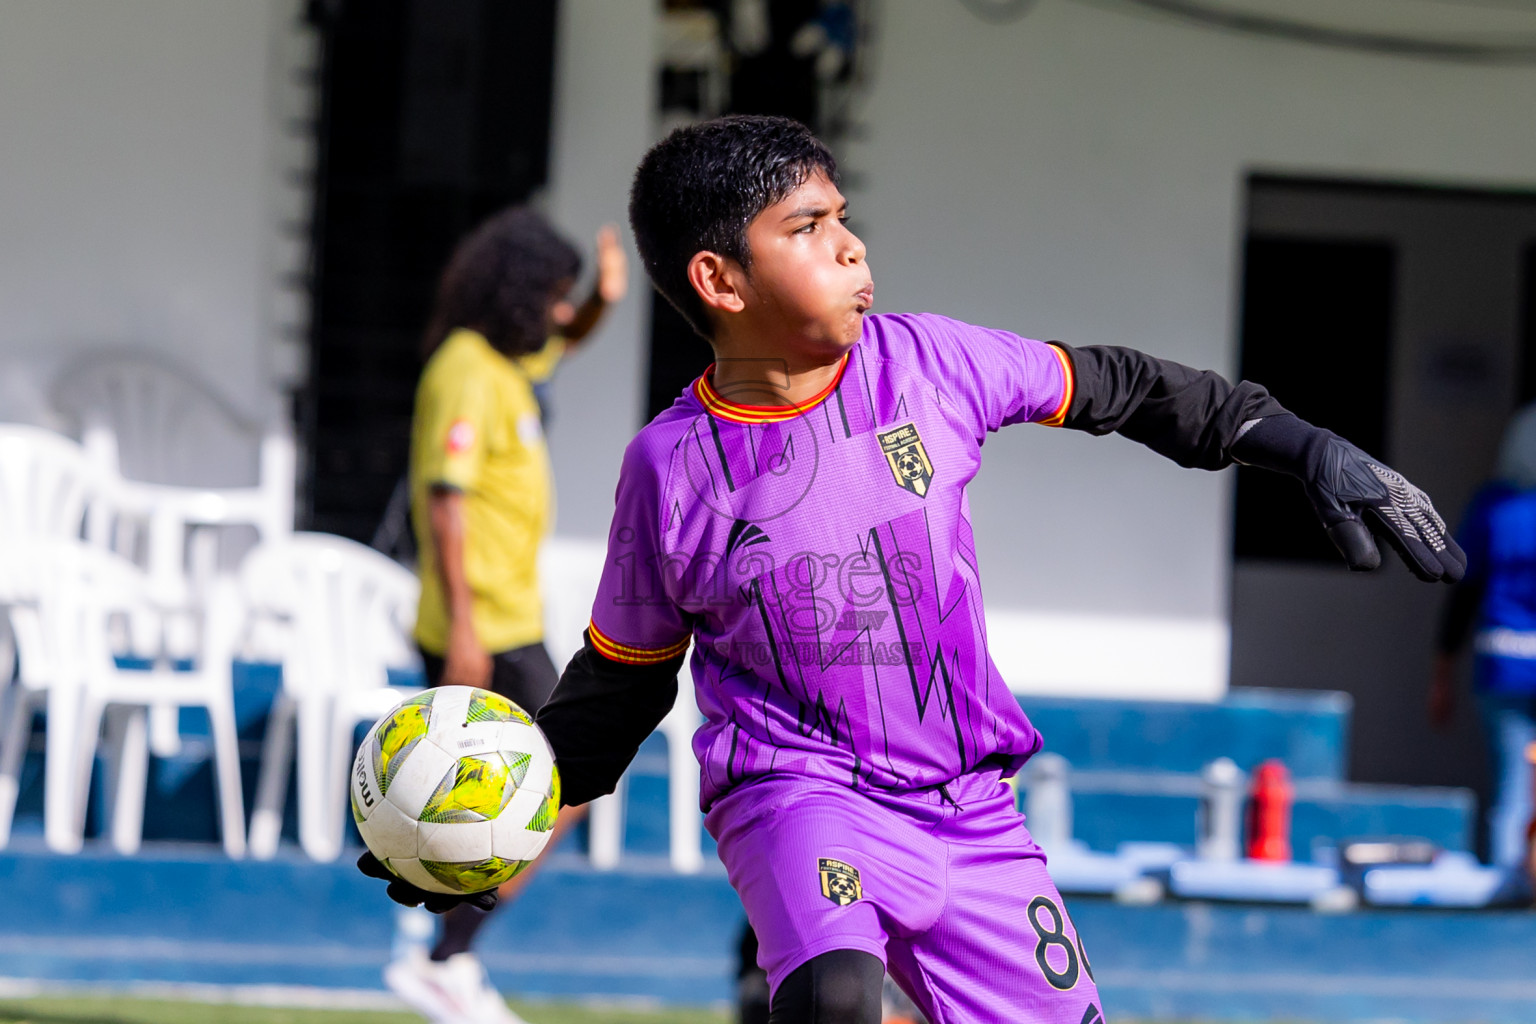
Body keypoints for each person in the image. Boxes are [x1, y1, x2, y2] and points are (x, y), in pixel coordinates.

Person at [363, 116, 1463, 1023]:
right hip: (800, 791)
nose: (850, 246)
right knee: (838, 999)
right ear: (720, 279)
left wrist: (1306, 445)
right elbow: (620, 686)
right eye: (808, 226)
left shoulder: (931, 364)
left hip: (973, 809)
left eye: (844, 218)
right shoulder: (672, 468)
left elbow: (1126, 387)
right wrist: (483, 821)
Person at [384, 206, 627, 1024]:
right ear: (517, 295)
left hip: (511, 618)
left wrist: (603, 297)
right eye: (553, 297)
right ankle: (440, 954)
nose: (561, 313)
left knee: (538, 786)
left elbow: (574, 335)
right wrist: (460, 630)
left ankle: (442, 952)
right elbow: (443, 503)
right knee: (557, 780)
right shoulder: (462, 366)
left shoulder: (509, 364)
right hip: (479, 626)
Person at [1432, 403, 1536, 872]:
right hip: (1512, 667)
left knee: (1513, 791)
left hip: (1502, 665)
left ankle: (1510, 895)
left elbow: (1463, 592)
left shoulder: (1493, 506)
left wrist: (1442, 673)